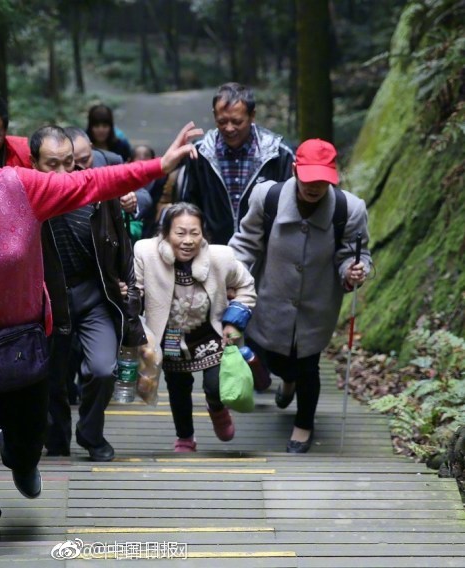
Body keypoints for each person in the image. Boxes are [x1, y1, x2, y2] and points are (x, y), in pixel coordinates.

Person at [0, 101, 202, 540]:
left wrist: (158, 164)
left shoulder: (17, 186)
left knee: (30, 436)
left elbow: (91, 182)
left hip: (26, 336)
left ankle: (21, 457)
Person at [229, 138, 371, 454]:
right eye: (308, 178)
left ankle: (303, 424)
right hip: (271, 300)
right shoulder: (268, 197)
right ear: (295, 170)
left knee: (307, 365)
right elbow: (246, 243)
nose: (314, 186)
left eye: (322, 180)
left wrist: (353, 271)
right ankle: (286, 380)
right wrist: (232, 276)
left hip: (316, 306)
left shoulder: (350, 209)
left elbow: (354, 254)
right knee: (270, 357)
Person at [31, 126, 145, 462]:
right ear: (33, 163)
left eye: (69, 162)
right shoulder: (25, 196)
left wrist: (130, 295)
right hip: (48, 299)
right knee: (51, 377)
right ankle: (56, 440)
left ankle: (91, 433)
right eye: (52, 164)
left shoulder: (97, 189)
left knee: (102, 369)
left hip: (93, 294)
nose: (63, 172)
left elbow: (122, 246)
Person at [134, 203, 257, 452]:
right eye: (180, 233)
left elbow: (246, 286)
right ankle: (185, 437)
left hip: (210, 331)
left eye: (195, 233)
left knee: (214, 385)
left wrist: (233, 322)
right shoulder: (146, 253)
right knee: (178, 387)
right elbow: (135, 292)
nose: (188, 241)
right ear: (165, 233)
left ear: (203, 234)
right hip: (169, 334)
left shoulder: (221, 257)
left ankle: (217, 408)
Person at [180, 82, 295, 245]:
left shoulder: (278, 153)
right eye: (222, 121)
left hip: (264, 253)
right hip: (212, 251)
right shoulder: (200, 153)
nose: (229, 128)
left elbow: (291, 207)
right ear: (214, 115)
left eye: (237, 121)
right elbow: (188, 205)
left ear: (252, 116)